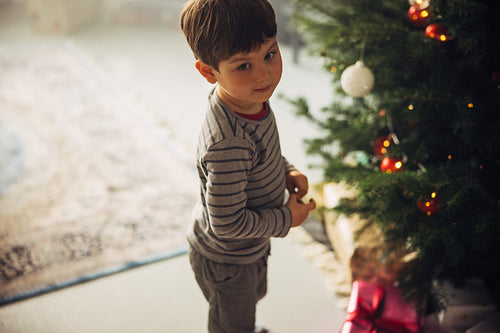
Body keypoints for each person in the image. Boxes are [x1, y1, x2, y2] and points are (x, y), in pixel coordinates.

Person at [180, 1, 316, 332]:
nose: (264, 74)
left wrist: (286, 170)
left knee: (252, 300)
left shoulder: (249, 98)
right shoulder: (228, 143)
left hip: (251, 244)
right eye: (243, 65)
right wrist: (287, 218)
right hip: (226, 259)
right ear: (209, 72)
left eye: (269, 54)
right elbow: (226, 224)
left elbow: (263, 152)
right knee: (233, 324)